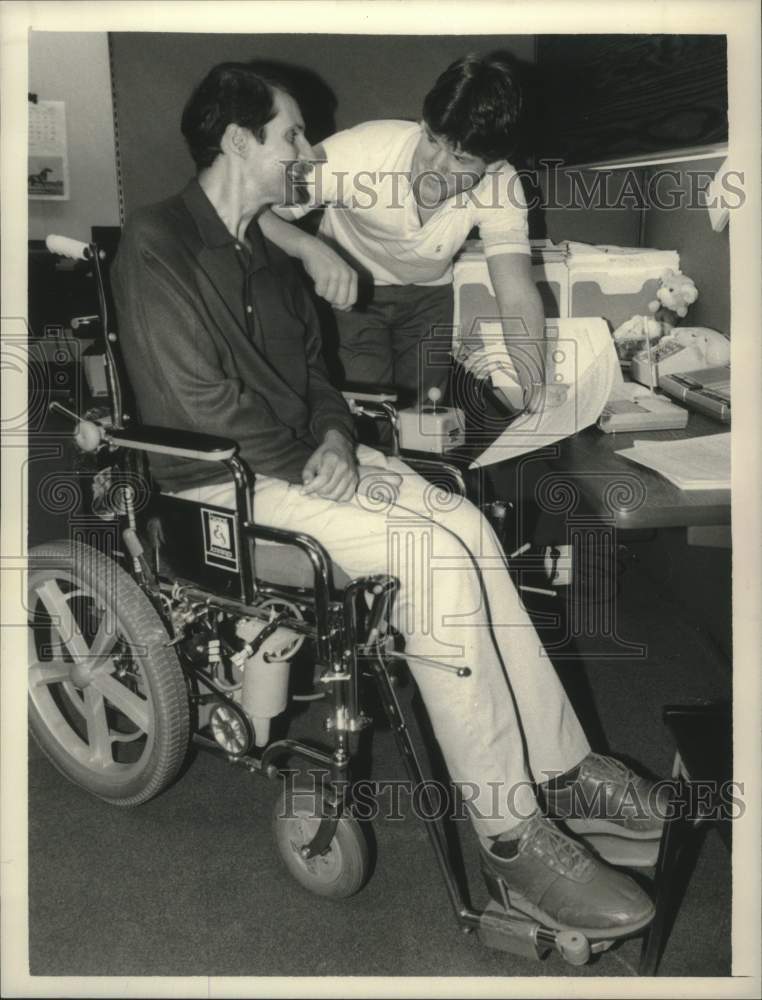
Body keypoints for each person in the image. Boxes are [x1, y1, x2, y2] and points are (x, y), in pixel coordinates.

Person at [112, 61, 662, 942]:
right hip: (223, 483)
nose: (306, 150)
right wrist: (315, 453)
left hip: (303, 462)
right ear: (239, 141)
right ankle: (510, 837)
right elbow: (199, 407)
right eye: (293, 134)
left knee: (466, 523)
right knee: (431, 556)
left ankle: (562, 766)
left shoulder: (269, 253)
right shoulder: (157, 239)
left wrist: (337, 437)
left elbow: (319, 379)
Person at [258, 51, 556, 415]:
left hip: (429, 297)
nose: (436, 165)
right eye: (432, 140)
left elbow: (516, 295)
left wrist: (533, 385)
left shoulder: (502, 185)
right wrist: (309, 248)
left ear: (491, 165)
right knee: (368, 415)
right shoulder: (361, 151)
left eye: (460, 159)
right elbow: (255, 210)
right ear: (423, 122)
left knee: (426, 419)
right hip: (355, 293)